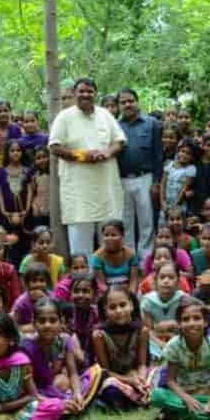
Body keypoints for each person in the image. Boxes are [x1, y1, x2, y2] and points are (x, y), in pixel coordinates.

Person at [49, 77, 127, 255]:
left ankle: (108, 279)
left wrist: (107, 152)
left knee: (109, 236)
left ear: (95, 94)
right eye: (81, 91)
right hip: (78, 193)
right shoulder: (64, 117)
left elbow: (120, 141)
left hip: (105, 188)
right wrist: (81, 155)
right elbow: (54, 146)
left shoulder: (105, 115)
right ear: (75, 94)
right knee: (80, 242)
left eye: (89, 91)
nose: (85, 94)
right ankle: (82, 280)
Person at [19, 297, 103, 413]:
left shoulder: (65, 340)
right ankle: (60, 404)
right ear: (34, 323)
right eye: (42, 321)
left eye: (53, 320)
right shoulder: (26, 347)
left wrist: (77, 394)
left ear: (61, 322)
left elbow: (73, 374)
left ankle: (70, 401)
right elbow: (27, 389)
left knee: (96, 372)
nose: (47, 325)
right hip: (35, 393)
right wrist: (58, 404)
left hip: (55, 387)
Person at [117, 88, 163, 256]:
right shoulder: (115, 125)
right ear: (119, 106)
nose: (127, 104)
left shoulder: (152, 124)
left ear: (137, 102)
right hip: (121, 180)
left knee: (147, 222)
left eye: (130, 101)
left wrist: (157, 181)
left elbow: (158, 154)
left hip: (145, 178)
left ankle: (145, 259)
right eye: (123, 102)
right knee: (126, 221)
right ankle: (129, 256)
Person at [93, 286, 151, 410]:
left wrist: (141, 381)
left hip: (134, 374)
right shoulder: (99, 335)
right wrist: (130, 381)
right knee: (110, 389)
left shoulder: (142, 331)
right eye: (112, 307)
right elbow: (105, 371)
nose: (119, 310)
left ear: (131, 305)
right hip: (114, 377)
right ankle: (136, 399)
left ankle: (137, 397)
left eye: (122, 305)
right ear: (105, 310)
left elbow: (142, 364)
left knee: (159, 377)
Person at [91, 219, 140, 293]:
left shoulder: (131, 255)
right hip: (106, 294)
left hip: (128, 292)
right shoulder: (97, 257)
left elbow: (134, 280)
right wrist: (112, 296)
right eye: (106, 235)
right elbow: (101, 284)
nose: (109, 238)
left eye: (113, 235)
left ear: (122, 236)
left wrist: (131, 295)